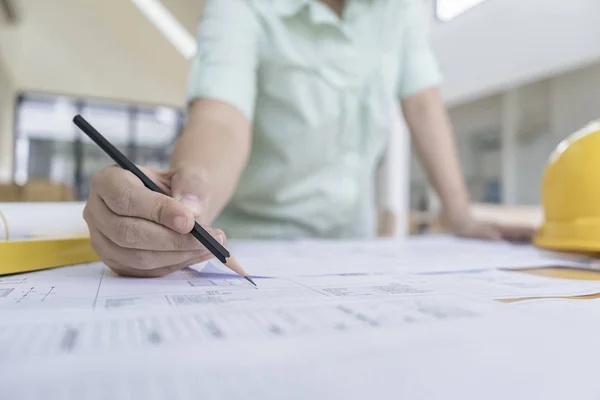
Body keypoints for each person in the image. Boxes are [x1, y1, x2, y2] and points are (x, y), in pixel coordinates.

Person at [83, 0, 534, 277]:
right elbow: (222, 119)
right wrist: (191, 196)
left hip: (353, 249)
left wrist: (458, 213)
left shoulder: (398, 9)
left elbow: (423, 105)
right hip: (250, 242)